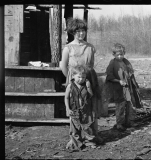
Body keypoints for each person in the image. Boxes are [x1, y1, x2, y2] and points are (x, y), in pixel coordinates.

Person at [60, 17, 102, 146]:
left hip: (89, 79)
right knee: (75, 109)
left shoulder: (90, 47)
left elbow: (91, 65)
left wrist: (88, 81)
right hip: (74, 81)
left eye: (83, 30)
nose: (81, 33)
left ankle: (91, 137)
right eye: (78, 31)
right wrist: (73, 81)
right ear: (72, 32)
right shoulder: (68, 48)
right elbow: (63, 65)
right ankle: (75, 138)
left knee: (90, 110)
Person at [106, 43, 142, 131]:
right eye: (117, 55)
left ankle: (129, 121)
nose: (119, 56)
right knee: (120, 106)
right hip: (118, 89)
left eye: (121, 54)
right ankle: (119, 123)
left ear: (124, 53)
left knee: (130, 105)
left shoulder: (126, 62)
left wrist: (135, 85)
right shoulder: (112, 63)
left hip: (128, 88)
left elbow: (131, 74)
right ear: (113, 54)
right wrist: (119, 81)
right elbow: (109, 76)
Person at [64, 65, 96, 150]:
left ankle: (88, 141)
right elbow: (66, 98)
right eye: (79, 77)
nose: (81, 79)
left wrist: (88, 86)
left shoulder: (86, 84)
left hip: (85, 110)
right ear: (73, 76)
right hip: (74, 110)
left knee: (87, 126)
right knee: (74, 128)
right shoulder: (70, 86)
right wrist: (67, 108)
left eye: (83, 77)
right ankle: (76, 143)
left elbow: (90, 95)